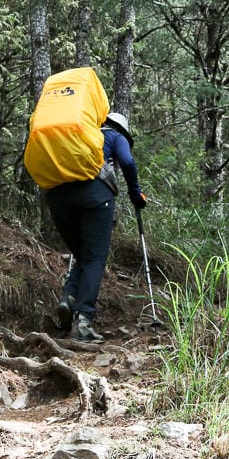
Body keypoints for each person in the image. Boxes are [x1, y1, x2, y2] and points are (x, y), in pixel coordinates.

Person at [46, 112, 147, 341]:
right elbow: (128, 161)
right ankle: (83, 322)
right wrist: (135, 194)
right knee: (94, 259)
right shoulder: (114, 135)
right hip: (95, 196)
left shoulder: (79, 135)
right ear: (121, 128)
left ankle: (69, 298)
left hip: (57, 197)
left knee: (84, 255)